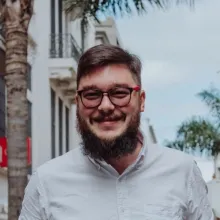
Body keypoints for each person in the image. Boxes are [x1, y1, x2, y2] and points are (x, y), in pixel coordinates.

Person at [19, 44, 214, 220]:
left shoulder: (182, 172)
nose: (105, 106)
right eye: (91, 94)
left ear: (142, 100)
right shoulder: (45, 182)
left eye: (119, 93)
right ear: (77, 103)